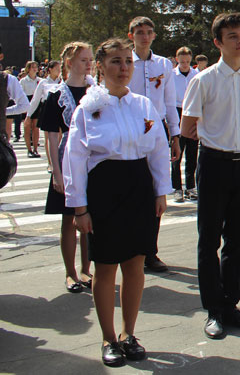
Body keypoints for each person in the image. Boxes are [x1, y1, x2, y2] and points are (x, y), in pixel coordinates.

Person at [64, 38, 172, 367]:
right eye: (115, 61)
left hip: (138, 187)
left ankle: (129, 333)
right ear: (100, 65)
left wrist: (160, 190)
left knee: (136, 264)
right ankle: (109, 338)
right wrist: (79, 208)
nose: (123, 68)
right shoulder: (89, 107)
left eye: (128, 61)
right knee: (106, 266)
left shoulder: (143, 105)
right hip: (104, 190)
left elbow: (157, 148)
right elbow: (75, 159)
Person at [181, 12, 240, 340]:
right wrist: (216, 139)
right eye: (233, 36)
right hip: (215, 162)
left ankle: (231, 304)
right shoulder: (203, 80)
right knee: (209, 238)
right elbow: (187, 128)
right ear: (218, 42)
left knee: (237, 237)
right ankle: (213, 309)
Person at [126, 16, 180, 273]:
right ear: (131, 36)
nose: (144, 37)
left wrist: (175, 134)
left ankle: (150, 251)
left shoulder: (163, 64)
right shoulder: (126, 62)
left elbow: (169, 101)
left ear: (154, 35)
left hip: (156, 128)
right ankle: (129, 247)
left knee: (156, 188)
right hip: (130, 127)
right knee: (132, 187)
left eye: (148, 32)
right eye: (139, 32)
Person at [41, 42, 95, 294]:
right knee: (68, 219)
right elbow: (52, 136)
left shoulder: (96, 91)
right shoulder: (56, 95)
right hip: (66, 161)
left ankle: (86, 268)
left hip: (92, 161)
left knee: (89, 218)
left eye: (90, 59)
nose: (89, 64)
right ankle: (70, 272)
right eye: (83, 60)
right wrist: (56, 171)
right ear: (70, 63)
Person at [172, 47, 199, 201]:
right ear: (177, 60)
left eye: (187, 61)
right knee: (177, 153)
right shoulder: (172, 75)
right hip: (176, 110)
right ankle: (176, 187)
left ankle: (190, 186)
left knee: (192, 153)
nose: (184, 64)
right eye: (182, 61)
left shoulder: (196, 75)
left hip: (192, 111)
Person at [27, 60, 62, 163]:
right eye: (56, 68)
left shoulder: (62, 81)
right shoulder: (43, 82)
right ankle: (50, 162)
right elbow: (35, 99)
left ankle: (58, 159)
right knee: (49, 137)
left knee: (60, 136)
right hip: (48, 109)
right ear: (50, 69)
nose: (59, 70)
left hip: (60, 109)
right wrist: (28, 116)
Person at [20, 61, 41, 157]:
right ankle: (29, 149)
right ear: (28, 69)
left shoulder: (40, 80)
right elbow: (21, 94)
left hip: (37, 103)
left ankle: (35, 149)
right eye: (32, 67)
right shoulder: (23, 81)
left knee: (35, 127)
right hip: (27, 102)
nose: (34, 69)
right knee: (27, 127)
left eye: (36, 67)